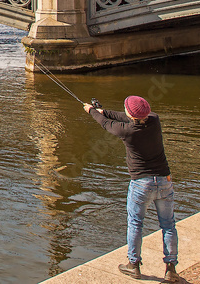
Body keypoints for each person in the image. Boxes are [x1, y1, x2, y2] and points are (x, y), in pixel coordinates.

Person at [84, 95, 179, 282]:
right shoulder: (154, 120)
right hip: (164, 180)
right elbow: (120, 116)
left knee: (136, 223)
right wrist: (105, 111)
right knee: (168, 225)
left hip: (141, 183)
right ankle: (171, 269)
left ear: (130, 114)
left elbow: (104, 123)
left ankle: (133, 265)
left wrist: (92, 111)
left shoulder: (127, 131)